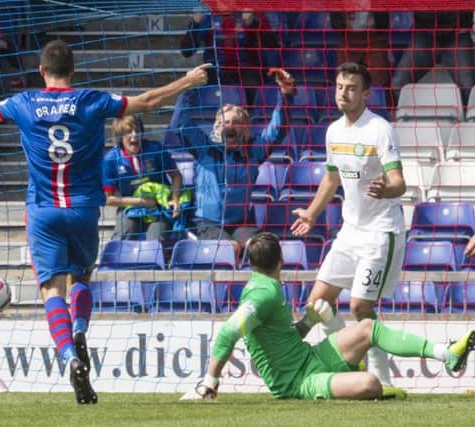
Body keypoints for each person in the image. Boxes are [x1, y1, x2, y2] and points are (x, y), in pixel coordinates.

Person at [0, 39, 209, 404]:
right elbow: (147, 102)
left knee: (52, 290)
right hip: (83, 209)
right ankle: (80, 328)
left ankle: (68, 355)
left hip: (43, 211)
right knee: (82, 276)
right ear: (74, 70)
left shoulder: (24, 103)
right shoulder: (92, 101)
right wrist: (187, 81)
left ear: (41, 71)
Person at [182, 232, 475, 401]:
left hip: (310, 358)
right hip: (297, 384)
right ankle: (355, 376)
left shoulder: (268, 288)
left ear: (250, 264)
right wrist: (210, 381)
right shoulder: (263, 294)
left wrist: (309, 322)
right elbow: (228, 332)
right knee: (370, 383)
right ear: (282, 259)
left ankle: (446, 353)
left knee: (367, 327)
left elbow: (283, 340)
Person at [290, 62, 406, 387]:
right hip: (349, 232)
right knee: (317, 304)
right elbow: (331, 179)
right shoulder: (333, 131)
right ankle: (345, 358)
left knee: (359, 305)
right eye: (340, 86)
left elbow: (400, 182)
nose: (344, 92)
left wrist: (387, 189)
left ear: (366, 94)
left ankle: (381, 377)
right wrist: (312, 214)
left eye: (352, 88)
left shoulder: (380, 129)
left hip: (381, 231)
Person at [177, 68, 295, 251]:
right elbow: (182, 124)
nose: (230, 127)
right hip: (207, 223)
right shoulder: (204, 149)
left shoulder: (253, 151)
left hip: (241, 224)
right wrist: (188, 86)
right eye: (225, 123)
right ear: (216, 128)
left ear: (245, 128)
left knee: (260, 249)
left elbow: (277, 129)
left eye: (236, 123)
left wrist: (285, 95)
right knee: (230, 248)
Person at [103, 115, 183, 244]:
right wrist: (141, 201)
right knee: (123, 238)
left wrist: (174, 199)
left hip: (158, 207)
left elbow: (176, 175)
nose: (135, 136)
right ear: (119, 136)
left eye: (137, 131)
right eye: (129, 132)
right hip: (129, 207)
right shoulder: (111, 159)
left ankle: (155, 263)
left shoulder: (155, 149)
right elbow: (108, 199)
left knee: (155, 242)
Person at [391, 11, 475, 108]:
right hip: (424, 33)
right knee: (398, 84)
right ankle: (407, 118)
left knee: (468, 87)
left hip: (458, 33)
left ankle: (468, 120)